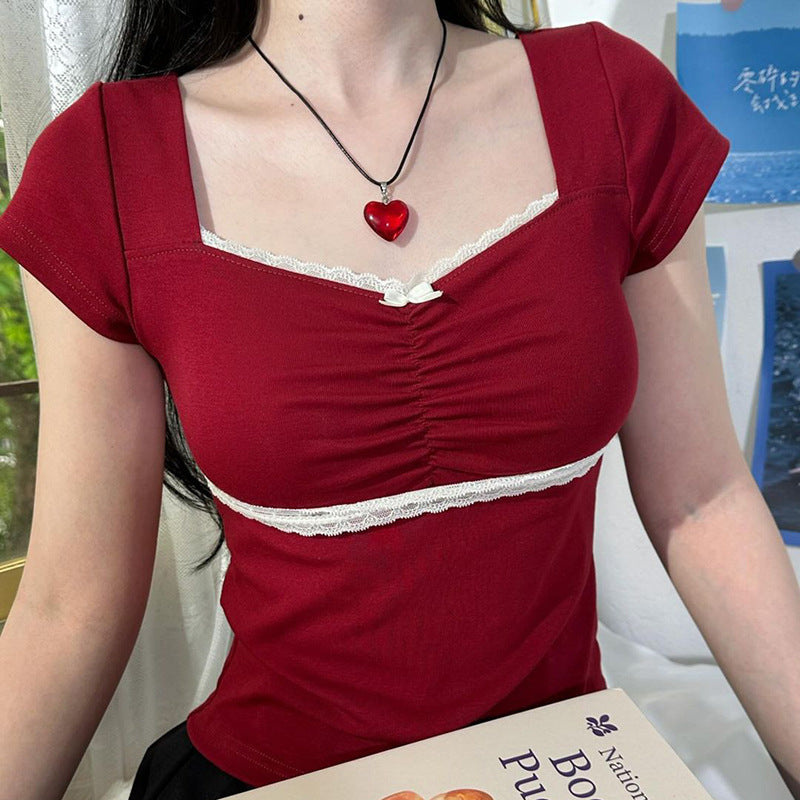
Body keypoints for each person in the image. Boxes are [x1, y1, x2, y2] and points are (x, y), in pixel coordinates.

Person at [0, 2, 799, 800]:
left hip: (561, 771)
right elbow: (70, 608)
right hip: (267, 778)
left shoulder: (614, 101)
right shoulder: (105, 166)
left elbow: (704, 501)